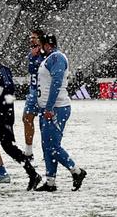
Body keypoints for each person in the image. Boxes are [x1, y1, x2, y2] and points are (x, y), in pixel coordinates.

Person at [0, 43, 41, 189]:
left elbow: (8, 89)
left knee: (5, 147)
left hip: (1, 117)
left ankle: (33, 174)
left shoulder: (1, 70)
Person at [35, 31, 86, 192]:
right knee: (47, 146)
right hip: (48, 108)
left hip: (56, 108)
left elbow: (56, 82)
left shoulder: (57, 58)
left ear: (47, 45)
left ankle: (76, 171)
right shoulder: (50, 58)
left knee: (52, 146)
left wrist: (49, 107)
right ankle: (50, 181)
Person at [22, 29, 45, 159]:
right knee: (27, 118)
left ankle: (46, 150)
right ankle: (29, 151)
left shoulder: (47, 54)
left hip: (43, 92)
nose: (31, 39)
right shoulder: (32, 54)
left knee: (44, 123)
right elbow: (31, 71)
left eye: (34, 37)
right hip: (33, 90)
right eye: (30, 37)